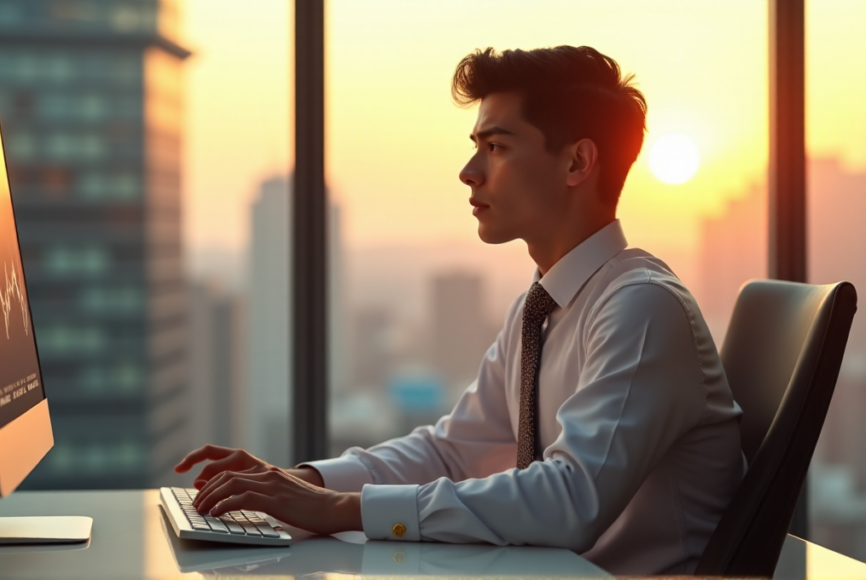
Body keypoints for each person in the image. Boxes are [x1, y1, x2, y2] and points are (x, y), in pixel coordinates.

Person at [174, 45, 745, 576]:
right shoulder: (540, 305)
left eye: (496, 147)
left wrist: (340, 508)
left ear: (577, 163)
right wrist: (301, 483)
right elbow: (453, 451)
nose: (469, 171)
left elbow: (572, 500)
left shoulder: (641, 307)